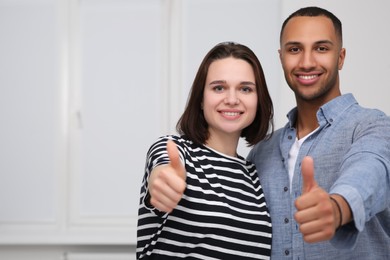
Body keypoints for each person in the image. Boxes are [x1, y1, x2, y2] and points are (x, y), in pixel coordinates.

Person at [248, 6, 390, 259]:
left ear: (341, 57)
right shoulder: (261, 151)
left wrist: (337, 207)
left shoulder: (373, 126)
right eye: (294, 49)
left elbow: (371, 170)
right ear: (281, 57)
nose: (307, 62)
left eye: (321, 48)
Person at [137, 42, 274, 259]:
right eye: (219, 87)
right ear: (201, 99)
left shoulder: (254, 176)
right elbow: (163, 170)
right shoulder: (175, 150)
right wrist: (162, 182)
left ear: (258, 100)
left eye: (245, 88)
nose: (231, 99)